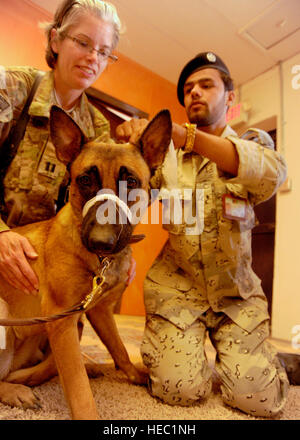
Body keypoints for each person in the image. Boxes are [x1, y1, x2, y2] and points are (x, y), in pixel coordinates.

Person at [117, 51, 290, 417]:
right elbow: (130, 200)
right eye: (188, 88)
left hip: (236, 296)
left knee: (259, 401)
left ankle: (268, 363)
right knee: (180, 391)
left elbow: (273, 174)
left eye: (206, 84)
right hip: (177, 291)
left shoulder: (252, 144)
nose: (194, 92)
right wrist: (128, 152)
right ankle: (191, 354)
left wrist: (189, 138)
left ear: (229, 97)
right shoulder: (165, 159)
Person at [0, 0, 128, 294]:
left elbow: (101, 204)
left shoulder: (97, 128)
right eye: (83, 43)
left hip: (47, 262)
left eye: (104, 52)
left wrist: (121, 244)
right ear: (56, 39)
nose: (93, 58)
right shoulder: (11, 88)